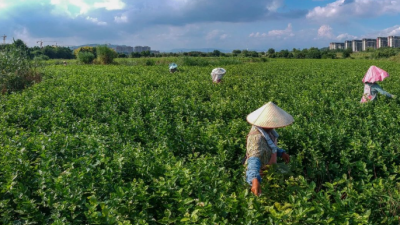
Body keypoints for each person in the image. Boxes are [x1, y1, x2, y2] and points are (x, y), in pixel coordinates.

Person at [244, 102, 294, 196]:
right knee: (262, 195)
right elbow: (254, 160)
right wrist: (254, 180)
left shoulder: (267, 131)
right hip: (259, 173)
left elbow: (268, 146)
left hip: (268, 169)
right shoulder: (257, 138)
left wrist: (281, 153)